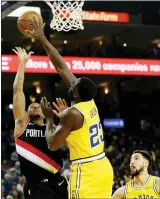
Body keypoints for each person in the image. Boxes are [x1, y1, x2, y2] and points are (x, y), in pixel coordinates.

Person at [27, 17, 114, 198]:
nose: (72, 82)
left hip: (87, 171)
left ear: (75, 94)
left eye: (74, 84)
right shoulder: (89, 102)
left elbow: (52, 144)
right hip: (103, 167)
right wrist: (42, 38)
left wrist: (50, 118)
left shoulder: (72, 113)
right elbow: (61, 67)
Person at [12, 47, 68, 199]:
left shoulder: (55, 128)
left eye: (38, 106)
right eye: (31, 106)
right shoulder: (22, 124)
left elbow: (74, 144)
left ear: (45, 112)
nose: (35, 106)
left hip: (57, 183)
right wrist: (22, 64)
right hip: (34, 186)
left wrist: (66, 118)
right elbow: (17, 91)